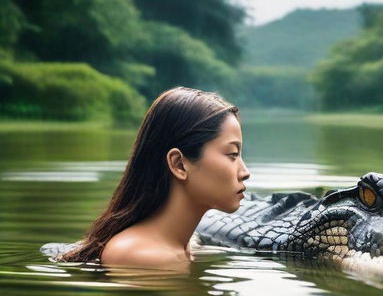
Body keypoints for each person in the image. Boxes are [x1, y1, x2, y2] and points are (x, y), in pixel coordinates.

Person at [61, 87, 250, 270]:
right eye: (232, 154)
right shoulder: (139, 256)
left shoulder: (185, 247)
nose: (245, 172)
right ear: (179, 165)